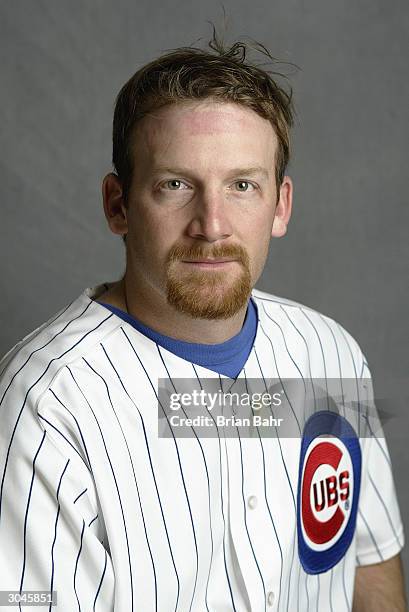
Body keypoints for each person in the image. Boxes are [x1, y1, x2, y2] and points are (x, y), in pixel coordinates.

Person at [0, 32, 406, 612]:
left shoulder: (330, 353)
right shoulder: (47, 405)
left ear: (280, 205)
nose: (211, 225)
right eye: (176, 185)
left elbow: (369, 561)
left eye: (242, 185)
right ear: (118, 204)